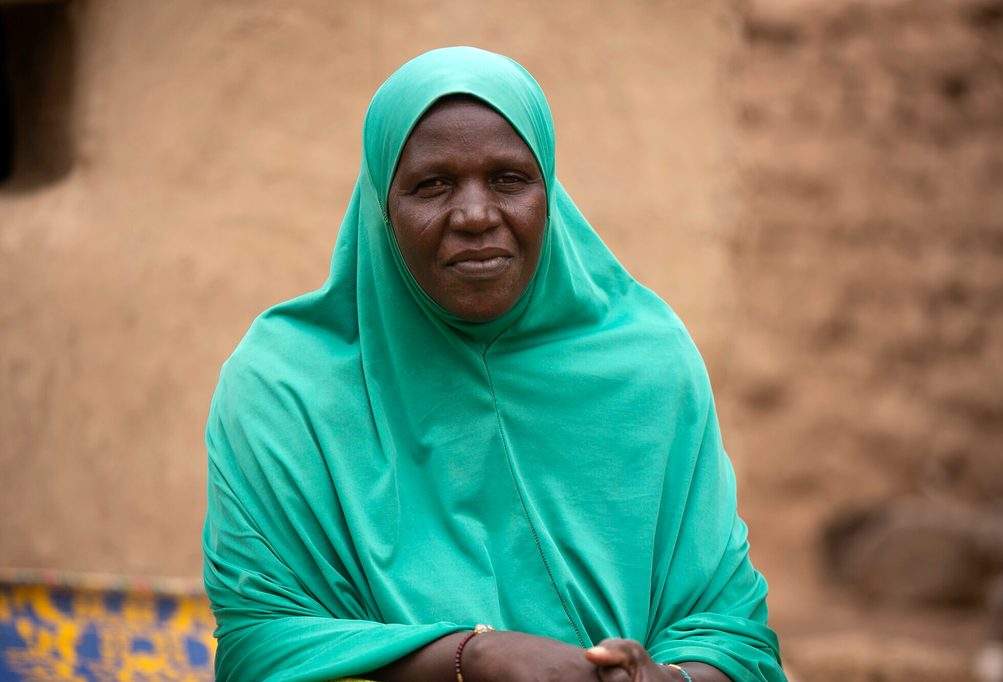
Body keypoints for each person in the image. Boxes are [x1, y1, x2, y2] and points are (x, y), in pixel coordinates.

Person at [202, 46, 786, 682]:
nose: (476, 215)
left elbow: (731, 630)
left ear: (549, 193)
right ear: (382, 208)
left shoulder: (649, 366)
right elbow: (261, 645)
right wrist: (472, 656)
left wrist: (664, 679)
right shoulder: (285, 388)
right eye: (432, 185)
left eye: (509, 179)